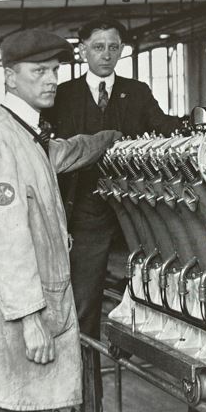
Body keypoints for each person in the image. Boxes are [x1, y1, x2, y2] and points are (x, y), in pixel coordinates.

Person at [0, 28, 121, 412]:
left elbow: (65, 153)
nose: (51, 80)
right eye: (38, 71)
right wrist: (32, 320)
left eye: (54, 70)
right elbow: (3, 241)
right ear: (10, 77)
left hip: (30, 315)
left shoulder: (28, 135)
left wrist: (111, 137)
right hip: (17, 320)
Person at [44, 17, 180, 343]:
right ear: (83, 51)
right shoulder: (62, 96)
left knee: (163, 293)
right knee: (83, 305)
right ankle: (87, 387)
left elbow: (164, 129)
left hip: (136, 210)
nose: (106, 54)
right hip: (86, 215)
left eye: (113, 47)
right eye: (98, 47)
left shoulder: (137, 92)